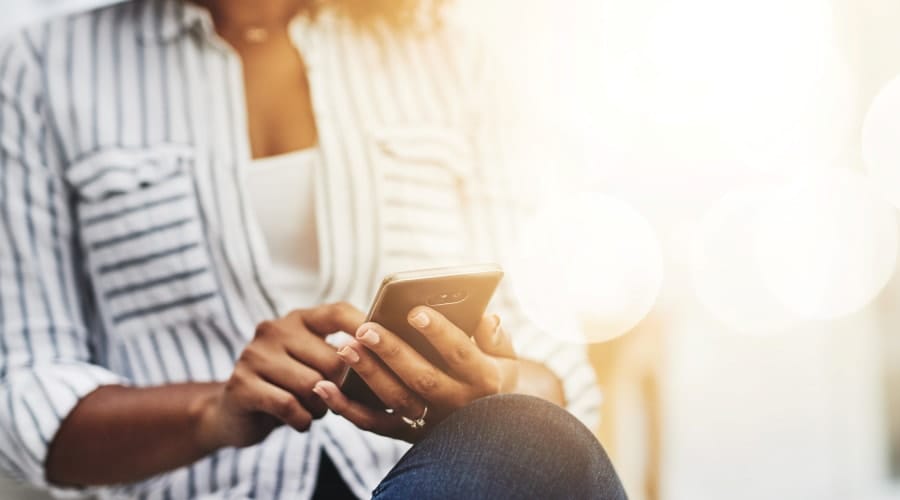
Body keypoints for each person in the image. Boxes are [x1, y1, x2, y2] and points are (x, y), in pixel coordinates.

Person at [0, 0, 625, 498]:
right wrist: (210, 411)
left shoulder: (448, 56)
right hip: (198, 487)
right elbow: (28, 398)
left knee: (533, 433)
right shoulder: (44, 68)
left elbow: (552, 364)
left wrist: (488, 390)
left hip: (439, 478)